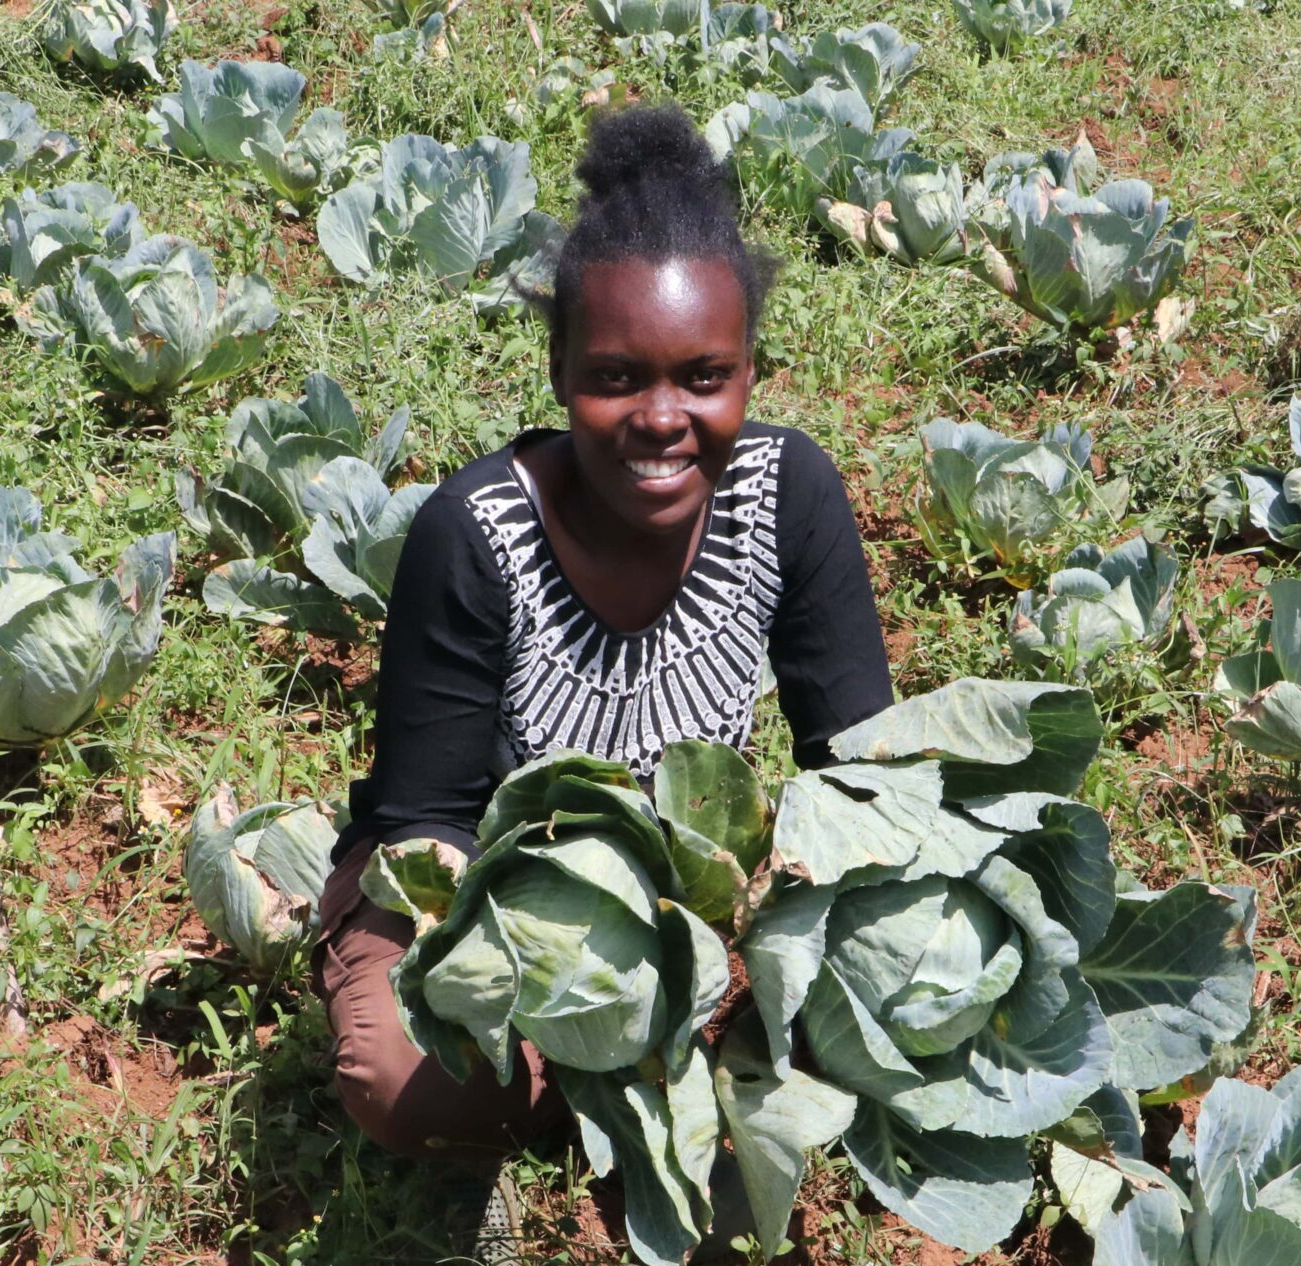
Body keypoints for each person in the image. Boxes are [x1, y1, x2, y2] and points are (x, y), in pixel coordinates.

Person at [314, 103, 894, 1166]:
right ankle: (597, 1089)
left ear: (750, 372)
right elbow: (425, 826)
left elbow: (858, 764)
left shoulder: (788, 493)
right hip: (471, 903)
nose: (661, 418)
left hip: (689, 901)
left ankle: (645, 1075)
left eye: (703, 378)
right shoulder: (477, 534)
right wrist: (542, 977)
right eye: (616, 377)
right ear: (560, 376)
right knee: (406, 1081)